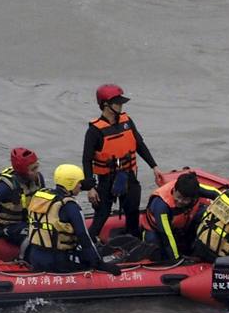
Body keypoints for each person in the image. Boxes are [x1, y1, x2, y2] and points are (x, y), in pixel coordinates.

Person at [83, 84, 162, 240]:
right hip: (107, 180)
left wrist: (154, 166)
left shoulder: (127, 121)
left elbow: (139, 144)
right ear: (105, 105)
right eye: (117, 103)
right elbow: (86, 160)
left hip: (128, 176)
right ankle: (88, 245)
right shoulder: (94, 131)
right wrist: (90, 187)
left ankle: (133, 241)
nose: (121, 105)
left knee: (132, 211)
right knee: (102, 214)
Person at [23, 163, 117, 273]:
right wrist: (99, 264)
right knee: (97, 254)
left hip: (35, 258)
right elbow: (84, 237)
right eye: (79, 183)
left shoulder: (41, 196)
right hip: (57, 262)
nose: (80, 186)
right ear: (71, 184)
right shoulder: (70, 206)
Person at [141, 171, 218, 262]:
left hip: (182, 224)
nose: (180, 201)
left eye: (185, 200)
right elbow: (167, 237)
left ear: (192, 198)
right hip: (157, 231)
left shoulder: (194, 190)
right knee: (155, 246)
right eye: (178, 197)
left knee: (205, 212)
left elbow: (214, 193)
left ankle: (193, 247)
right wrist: (177, 260)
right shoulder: (162, 206)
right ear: (174, 190)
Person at [0, 147, 43, 245]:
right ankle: (23, 258)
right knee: (35, 234)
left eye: (37, 167)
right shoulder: (6, 187)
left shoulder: (38, 179)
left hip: (26, 223)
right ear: (23, 170)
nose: (37, 171)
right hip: (6, 228)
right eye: (33, 169)